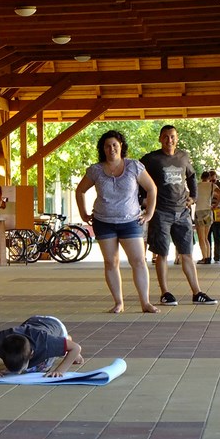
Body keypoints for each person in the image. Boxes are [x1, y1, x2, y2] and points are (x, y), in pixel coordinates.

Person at [75, 129, 159, 314]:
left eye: (114, 145)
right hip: (103, 221)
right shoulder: (95, 170)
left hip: (130, 221)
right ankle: (118, 303)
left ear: (121, 146)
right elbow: (80, 190)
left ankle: (145, 302)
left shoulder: (134, 166)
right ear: (102, 149)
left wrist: (149, 213)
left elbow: (152, 188)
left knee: (138, 261)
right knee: (111, 262)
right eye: (107, 146)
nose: (111, 149)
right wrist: (83, 213)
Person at [140, 125, 218, 306]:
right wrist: (142, 200)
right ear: (160, 139)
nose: (169, 140)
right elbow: (136, 176)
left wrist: (193, 197)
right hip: (161, 212)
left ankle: (197, 293)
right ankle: (165, 293)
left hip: (182, 212)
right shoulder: (151, 159)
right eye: (166, 137)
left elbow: (191, 176)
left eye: (172, 136)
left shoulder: (183, 156)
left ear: (177, 138)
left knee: (187, 253)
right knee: (162, 253)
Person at [0, 316, 84, 378]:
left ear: (31, 354)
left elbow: (76, 348)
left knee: (43, 367)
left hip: (55, 326)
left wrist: (59, 371)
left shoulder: (45, 343)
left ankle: (66, 340)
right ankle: (64, 344)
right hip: (32, 322)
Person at [194, 171, 220, 265]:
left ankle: (205, 257)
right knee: (206, 237)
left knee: (201, 238)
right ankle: (207, 257)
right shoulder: (212, 185)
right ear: (209, 178)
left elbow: (193, 198)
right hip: (208, 211)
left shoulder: (197, 185)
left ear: (201, 177)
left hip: (199, 211)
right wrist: (215, 205)